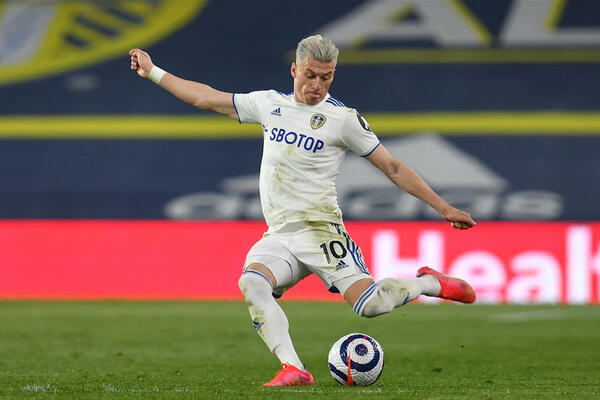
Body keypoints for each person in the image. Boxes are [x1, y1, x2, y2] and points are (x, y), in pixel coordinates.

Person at [129, 34, 477, 387]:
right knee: (252, 283)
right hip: (280, 234)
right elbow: (205, 97)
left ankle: (430, 282)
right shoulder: (269, 104)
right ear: (295, 70)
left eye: (326, 77)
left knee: (370, 306)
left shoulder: (343, 119)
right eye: (310, 75)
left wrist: (443, 207)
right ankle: (293, 368)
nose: (317, 85)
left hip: (320, 230)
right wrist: (153, 71)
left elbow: (393, 167)